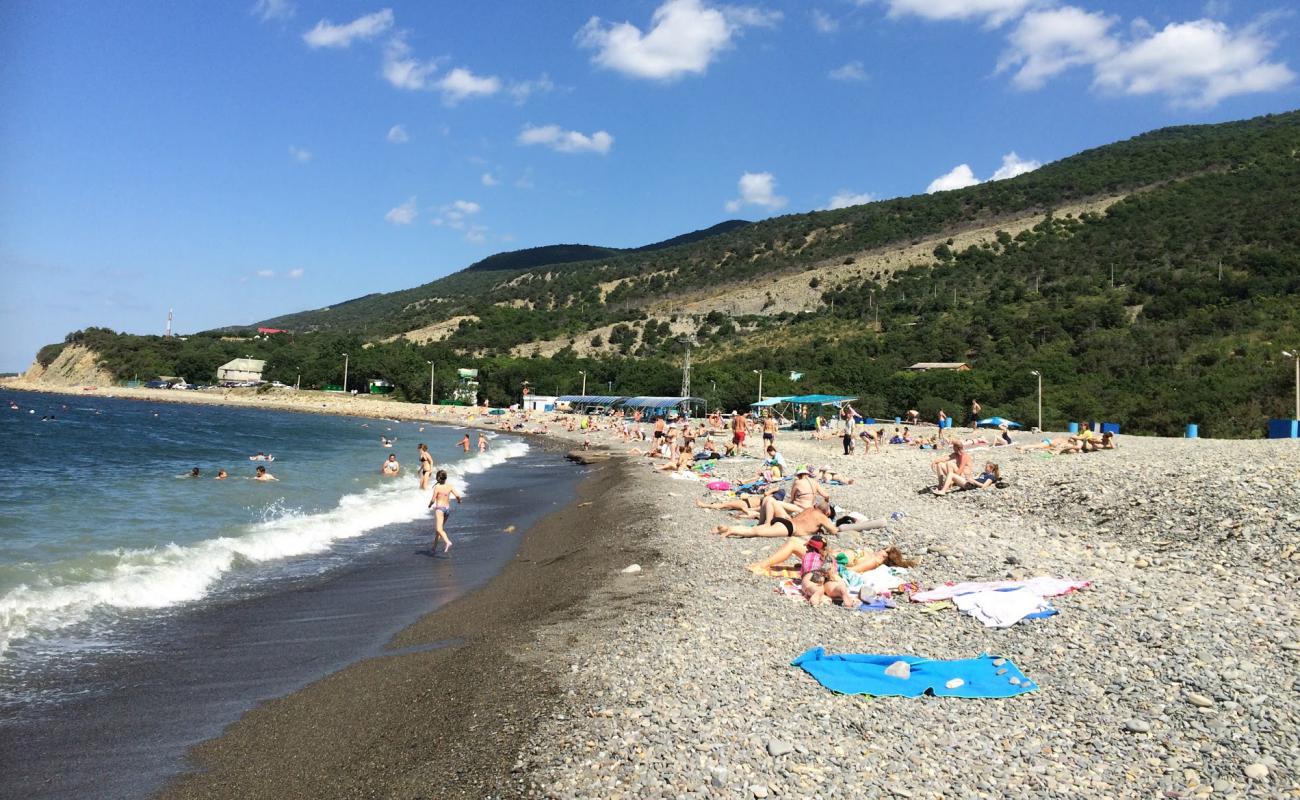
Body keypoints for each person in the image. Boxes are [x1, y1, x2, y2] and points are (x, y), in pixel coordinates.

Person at [711, 500, 838, 539]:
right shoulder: (822, 517)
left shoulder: (809, 509)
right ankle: (731, 530)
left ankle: (727, 528)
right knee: (756, 532)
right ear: (826, 512)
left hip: (785, 520)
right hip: (789, 528)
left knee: (758, 528)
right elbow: (834, 530)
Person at [427, 469, 461, 554]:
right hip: (447, 509)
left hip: (440, 510)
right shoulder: (450, 486)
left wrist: (430, 505)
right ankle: (433, 548)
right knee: (439, 530)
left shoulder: (437, 487)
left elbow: (433, 499)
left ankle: (448, 542)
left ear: (438, 478)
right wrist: (459, 501)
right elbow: (458, 495)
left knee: (439, 529)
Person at [933, 461, 1000, 495]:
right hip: (968, 482)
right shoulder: (982, 473)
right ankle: (946, 486)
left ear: (991, 469)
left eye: (986, 467)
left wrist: (973, 481)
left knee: (951, 474)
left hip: (971, 485)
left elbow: (984, 486)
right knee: (950, 464)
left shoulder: (991, 477)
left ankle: (943, 491)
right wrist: (969, 477)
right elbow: (974, 478)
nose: (985, 468)